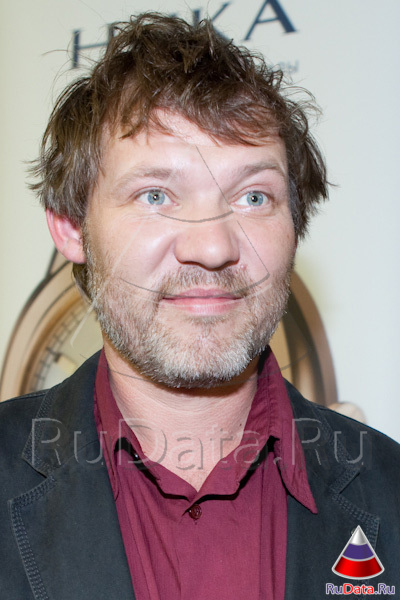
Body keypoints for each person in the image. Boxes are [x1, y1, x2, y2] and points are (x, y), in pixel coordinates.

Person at [0, 12, 399, 600]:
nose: (212, 247)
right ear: (71, 228)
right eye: (155, 195)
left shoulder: (390, 494)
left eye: (253, 196)